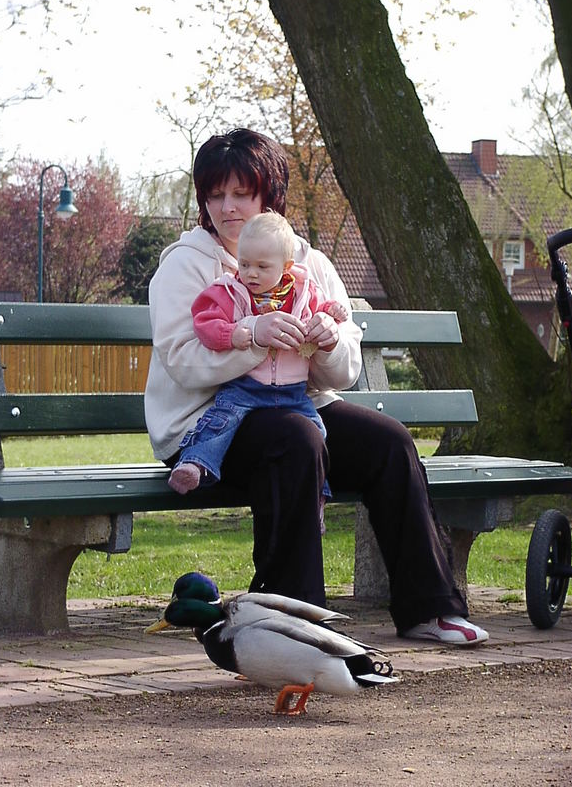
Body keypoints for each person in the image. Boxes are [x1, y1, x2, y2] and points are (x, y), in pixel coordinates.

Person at [145, 127, 488, 646]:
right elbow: (182, 363)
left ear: (270, 195)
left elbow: (343, 371)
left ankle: (430, 608)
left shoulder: (311, 264)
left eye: (242, 193)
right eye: (216, 194)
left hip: (294, 410)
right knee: (295, 440)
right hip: (204, 430)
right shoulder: (186, 265)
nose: (228, 207)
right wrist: (253, 337)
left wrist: (327, 343)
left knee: (389, 442)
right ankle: (294, 621)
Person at [168, 210, 348, 496]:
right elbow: (205, 322)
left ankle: (318, 500)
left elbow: (318, 313)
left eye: (262, 267)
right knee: (221, 422)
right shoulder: (230, 291)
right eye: (244, 263)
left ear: (286, 266)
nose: (251, 273)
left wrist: (330, 316)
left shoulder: (304, 292)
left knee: (318, 435)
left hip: (294, 392)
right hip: (246, 387)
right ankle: (193, 464)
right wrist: (238, 333)